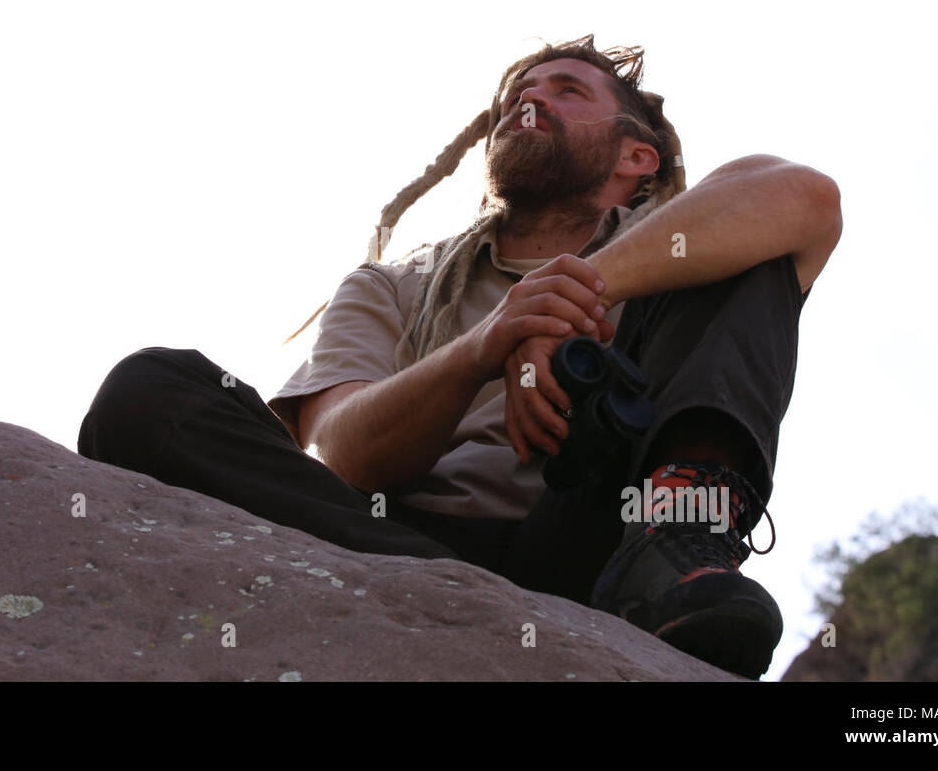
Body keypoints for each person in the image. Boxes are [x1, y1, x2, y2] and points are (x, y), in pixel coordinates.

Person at [77, 35, 842, 679]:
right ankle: (450, 600)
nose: (527, 102)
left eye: (567, 90)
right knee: (151, 389)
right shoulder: (392, 283)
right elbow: (344, 453)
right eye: (517, 93)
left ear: (635, 156)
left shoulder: (683, 241)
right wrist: (490, 342)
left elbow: (806, 198)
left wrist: (575, 295)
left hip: (590, 537)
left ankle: (679, 540)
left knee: (746, 251)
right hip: (391, 537)